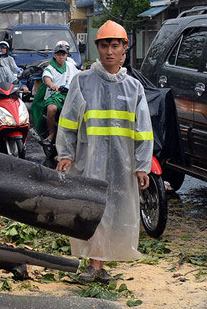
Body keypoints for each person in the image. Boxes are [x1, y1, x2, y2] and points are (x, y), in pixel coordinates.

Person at [55, 21, 153, 283]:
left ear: (124, 49)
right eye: (104, 45)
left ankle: (102, 263)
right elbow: (68, 122)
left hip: (122, 163)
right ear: (97, 48)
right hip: (89, 160)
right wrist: (65, 154)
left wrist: (143, 165)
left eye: (115, 45)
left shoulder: (134, 88)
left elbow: (143, 130)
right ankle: (94, 264)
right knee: (91, 209)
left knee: (116, 210)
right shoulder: (83, 81)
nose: (110, 51)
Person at [32, 41, 79, 145]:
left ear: (67, 55)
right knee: (51, 108)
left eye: (63, 54)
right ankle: (52, 133)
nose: (61, 57)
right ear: (55, 55)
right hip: (54, 96)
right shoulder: (50, 68)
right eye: (59, 54)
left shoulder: (71, 66)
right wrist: (52, 85)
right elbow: (47, 78)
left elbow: (80, 76)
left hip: (70, 95)